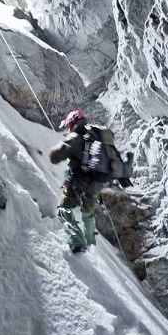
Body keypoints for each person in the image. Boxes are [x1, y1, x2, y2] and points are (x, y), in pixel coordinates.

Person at [49, 108, 122, 253]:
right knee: (88, 213)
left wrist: (58, 147)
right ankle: (90, 242)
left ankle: (78, 241)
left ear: (72, 123)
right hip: (97, 184)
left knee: (63, 209)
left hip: (78, 181)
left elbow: (54, 157)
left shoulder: (75, 137)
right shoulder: (96, 138)